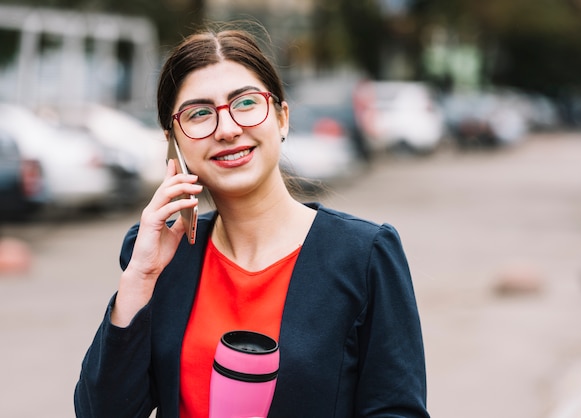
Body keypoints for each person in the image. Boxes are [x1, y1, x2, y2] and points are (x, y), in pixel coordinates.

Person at [74, 23, 430, 418]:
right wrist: (139, 279)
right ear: (173, 141)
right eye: (199, 113)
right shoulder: (163, 257)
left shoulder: (363, 255)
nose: (227, 129)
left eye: (245, 103)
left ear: (282, 118)